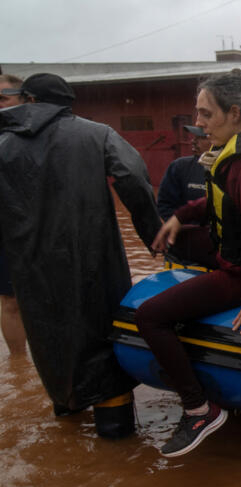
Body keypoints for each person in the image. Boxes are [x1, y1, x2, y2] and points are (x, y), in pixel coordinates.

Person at [135, 70, 241, 457]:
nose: (197, 123)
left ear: (233, 113)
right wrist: (181, 216)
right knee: (180, 248)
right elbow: (224, 200)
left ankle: (199, 409)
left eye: (204, 114)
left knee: (149, 316)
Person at [0, 73, 161, 437]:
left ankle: (66, 415)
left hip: (31, 269)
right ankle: (115, 436)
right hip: (94, 261)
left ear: (27, 100)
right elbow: (133, 178)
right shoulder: (96, 134)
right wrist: (153, 236)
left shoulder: (4, 145)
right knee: (103, 345)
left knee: (51, 347)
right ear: (67, 104)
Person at [0, 74, 28, 359]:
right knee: (10, 301)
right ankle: (19, 365)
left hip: (42, 227)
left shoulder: (39, 133)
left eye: (3, 99)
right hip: (5, 229)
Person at [157, 125, 210, 221]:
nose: (193, 141)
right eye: (194, 137)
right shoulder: (179, 167)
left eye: (201, 137)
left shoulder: (229, 168)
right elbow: (164, 204)